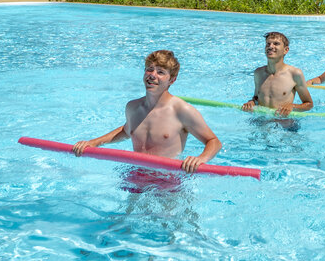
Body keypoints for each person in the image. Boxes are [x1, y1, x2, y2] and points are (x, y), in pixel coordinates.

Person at [73, 50, 221, 172]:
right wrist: (94, 143)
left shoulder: (181, 110)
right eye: (149, 69)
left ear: (172, 80)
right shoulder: (132, 107)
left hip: (167, 179)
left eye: (161, 72)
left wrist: (200, 159)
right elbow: (126, 131)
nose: (152, 75)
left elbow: (213, 141)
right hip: (136, 174)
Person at [241, 31, 314, 117]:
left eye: (276, 44)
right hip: (261, 121)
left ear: (285, 50)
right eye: (268, 44)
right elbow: (256, 97)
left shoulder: (294, 74)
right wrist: (252, 102)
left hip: (284, 122)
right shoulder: (259, 73)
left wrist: (292, 106)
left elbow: (309, 104)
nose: (270, 46)